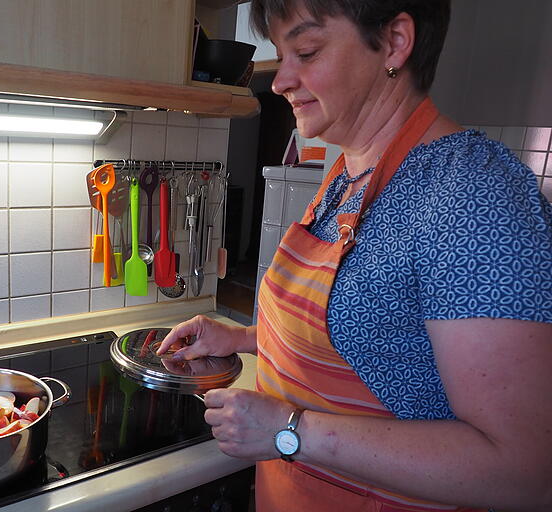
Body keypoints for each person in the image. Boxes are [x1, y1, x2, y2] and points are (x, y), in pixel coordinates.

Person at [157, 1, 552, 511]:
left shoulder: (475, 197)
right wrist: (247, 338)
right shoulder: (347, 174)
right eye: (282, 54)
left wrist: (288, 430)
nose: (280, 80)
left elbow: (523, 473)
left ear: (394, 42)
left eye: (306, 50)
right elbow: (384, 342)